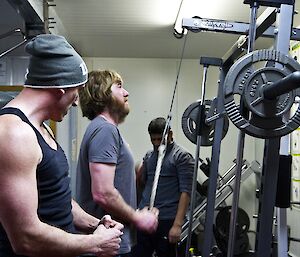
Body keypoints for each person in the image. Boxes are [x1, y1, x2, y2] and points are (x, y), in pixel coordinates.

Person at [0, 34, 123, 257]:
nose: (76, 102)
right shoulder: (13, 133)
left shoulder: (40, 127)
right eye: (75, 93)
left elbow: (56, 197)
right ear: (59, 90)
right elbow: (25, 237)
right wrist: (95, 244)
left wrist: (95, 225)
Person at [76, 70, 159, 257]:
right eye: (119, 86)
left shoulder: (104, 129)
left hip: (110, 241)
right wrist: (138, 218)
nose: (126, 92)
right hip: (105, 242)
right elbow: (103, 193)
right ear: (101, 93)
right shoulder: (105, 130)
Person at [132, 117, 194, 257]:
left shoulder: (182, 157)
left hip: (168, 219)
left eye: (160, 139)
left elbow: (186, 192)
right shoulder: (149, 156)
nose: (156, 143)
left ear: (170, 134)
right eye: (153, 139)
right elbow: (143, 184)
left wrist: (177, 225)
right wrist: (138, 172)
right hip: (145, 217)